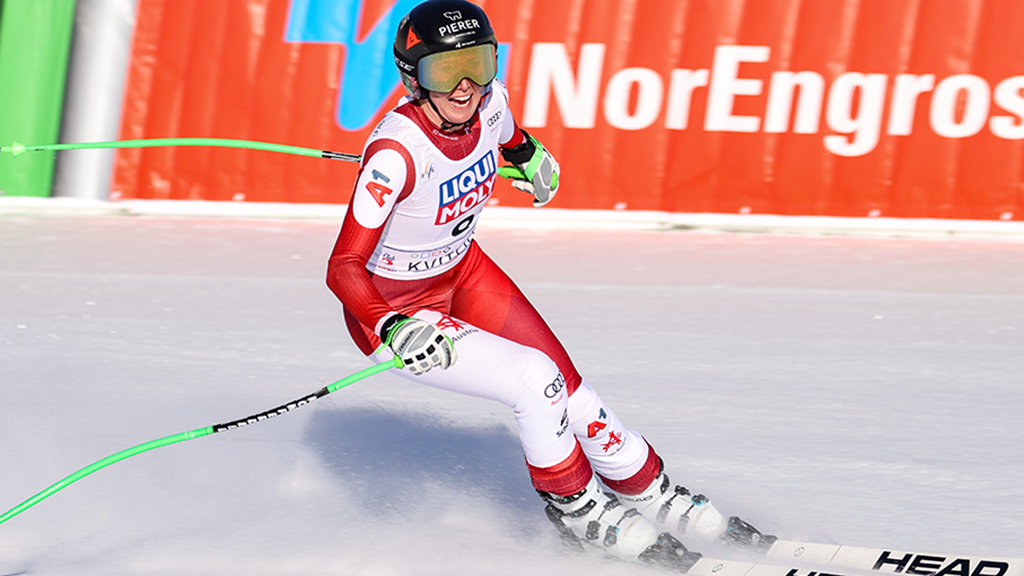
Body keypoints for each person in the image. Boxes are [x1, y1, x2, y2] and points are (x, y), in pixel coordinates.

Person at [326, 0, 774, 569]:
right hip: (396, 307)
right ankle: (577, 510)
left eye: (479, 63)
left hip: (463, 271)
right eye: (445, 71)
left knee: (569, 387)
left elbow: (511, 139)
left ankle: (648, 488)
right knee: (535, 382)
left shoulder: (491, 105)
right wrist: (393, 326)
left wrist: (532, 159)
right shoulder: (395, 155)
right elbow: (342, 266)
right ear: (412, 77)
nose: (466, 87)